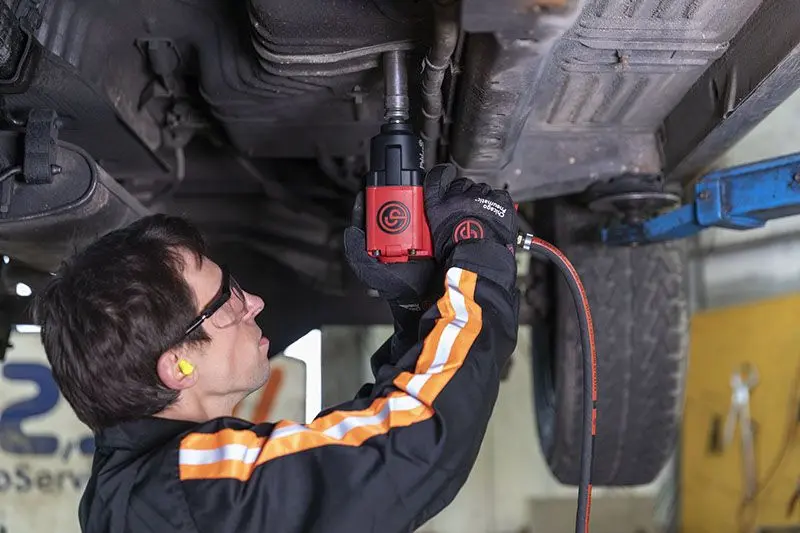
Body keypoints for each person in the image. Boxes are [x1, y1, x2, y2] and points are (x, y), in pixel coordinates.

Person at [32, 164, 521, 533]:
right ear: (177, 368)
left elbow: (360, 443)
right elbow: (408, 448)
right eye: (227, 303)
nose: (256, 303)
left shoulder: (138, 493)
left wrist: (419, 312)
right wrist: (476, 257)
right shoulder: (188, 488)